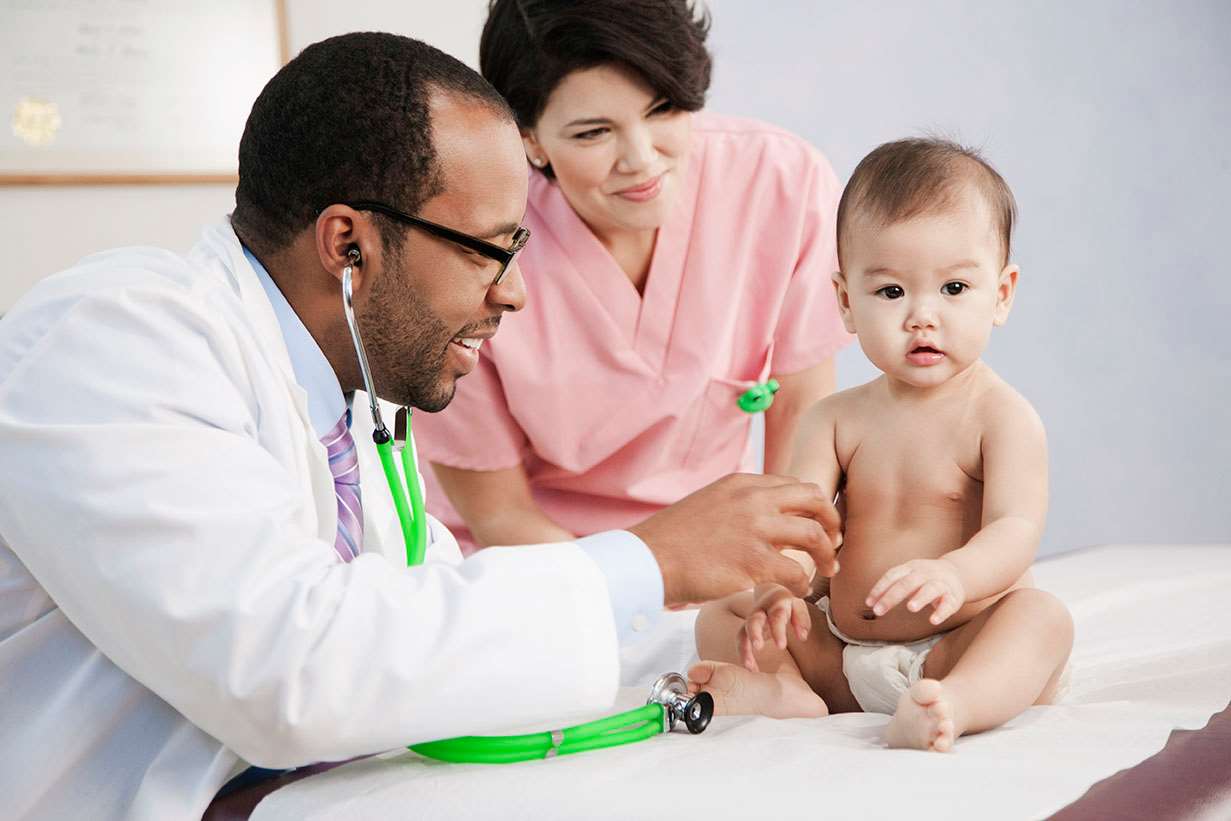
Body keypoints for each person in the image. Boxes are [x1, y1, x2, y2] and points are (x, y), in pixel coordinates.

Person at [0, 33, 841, 820]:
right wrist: (654, 558)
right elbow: (289, 674)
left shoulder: (355, 406)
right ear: (347, 244)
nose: (512, 291)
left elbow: (431, 621)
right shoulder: (112, 337)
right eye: (487, 249)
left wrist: (693, 627)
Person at [413, 0, 852, 553]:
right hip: (537, 568)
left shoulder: (781, 183)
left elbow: (801, 434)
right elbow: (500, 516)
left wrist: (775, 578)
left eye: (663, 109)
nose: (642, 161)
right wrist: (647, 588)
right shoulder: (466, 246)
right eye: (594, 133)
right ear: (529, 139)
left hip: (726, 556)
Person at [688, 139, 1074, 752]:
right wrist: (780, 593)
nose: (922, 315)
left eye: (953, 289)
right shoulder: (833, 420)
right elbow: (799, 530)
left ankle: (958, 704)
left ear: (1001, 294)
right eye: (891, 292)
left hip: (955, 645)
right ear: (846, 302)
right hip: (840, 655)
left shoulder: (1002, 417)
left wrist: (956, 573)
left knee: (1041, 618)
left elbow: (1015, 528)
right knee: (724, 611)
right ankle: (790, 692)